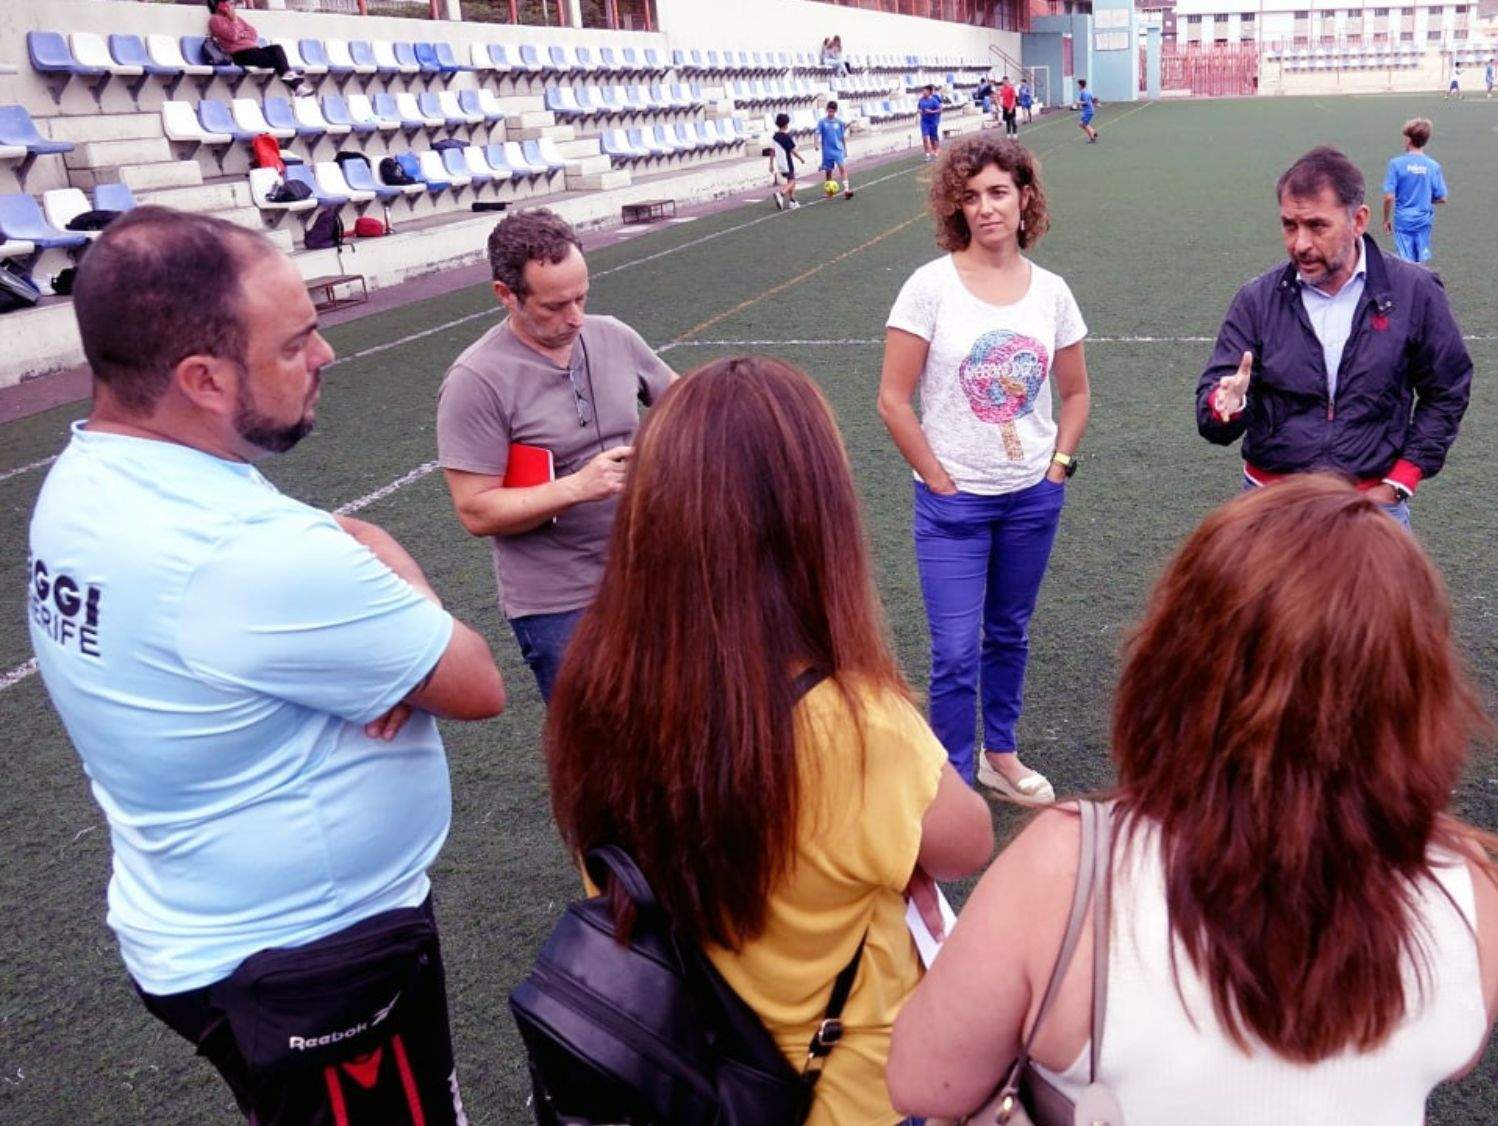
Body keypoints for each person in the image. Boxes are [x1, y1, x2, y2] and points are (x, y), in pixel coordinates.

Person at [30, 207, 506, 1124]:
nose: (326, 354)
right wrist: (404, 589)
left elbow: (319, 555)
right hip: (311, 966)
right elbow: (473, 682)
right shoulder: (243, 552)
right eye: (294, 343)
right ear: (203, 379)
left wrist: (352, 572)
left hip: (204, 924)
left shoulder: (91, 476)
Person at [887, 476, 1498, 1122]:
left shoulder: (1070, 868)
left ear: (1177, 663)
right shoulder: (1473, 900)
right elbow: (1453, 1050)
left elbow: (921, 1081)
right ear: (1420, 693)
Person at [545, 355, 996, 1126]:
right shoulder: (856, 724)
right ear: (812, 523)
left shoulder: (591, 689)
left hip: (679, 1074)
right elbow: (967, 844)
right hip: (844, 1094)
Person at [878, 136, 1091, 802]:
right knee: (954, 653)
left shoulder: (1051, 293)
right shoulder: (929, 287)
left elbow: (1077, 392)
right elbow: (892, 397)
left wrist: (1057, 466)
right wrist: (939, 480)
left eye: (998, 192)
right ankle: (949, 777)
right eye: (970, 197)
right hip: (953, 506)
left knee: (1008, 632)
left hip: (1031, 496)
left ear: (1025, 197)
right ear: (956, 208)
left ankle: (999, 753)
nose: (986, 208)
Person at [436, 209, 677, 700]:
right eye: (553, 306)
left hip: (648, 574)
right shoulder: (475, 381)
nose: (575, 318)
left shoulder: (613, 335)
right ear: (506, 295)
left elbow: (684, 404)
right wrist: (576, 488)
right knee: (596, 753)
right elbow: (476, 510)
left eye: (581, 297)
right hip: (558, 605)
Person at [1196, 146, 1474, 526]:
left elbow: (1447, 388)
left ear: (1359, 220)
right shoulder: (1256, 300)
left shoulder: (1415, 291)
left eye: (1317, 226)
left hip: (1371, 507)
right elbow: (1213, 413)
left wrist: (1402, 480)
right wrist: (1225, 404)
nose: (1300, 244)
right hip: (1270, 506)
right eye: (1289, 225)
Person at [205, 0, 312, 93]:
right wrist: (234, 23)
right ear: (221, 5)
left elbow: (253, 33)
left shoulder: (238, 19)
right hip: (240, 55)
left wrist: (240, 33)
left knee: (276, 48)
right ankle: (295, 85)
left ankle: (291, 79)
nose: (233, 6)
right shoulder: (216, 20)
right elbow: (233, 36)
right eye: (230, 3)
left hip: (253, 51)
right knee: (278, 61)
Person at [1382, 117, 1448, 264]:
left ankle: (1407, 285)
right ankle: (1420, 283)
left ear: (1408, 140)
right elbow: (1442, 198)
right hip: (1423, 220)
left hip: (1403, 220)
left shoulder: (1396, 164)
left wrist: (1386, 220)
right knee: (1420, 259)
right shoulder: (1433, 166)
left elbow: (1388, 197)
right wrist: (1424, 197)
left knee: (1405, 261)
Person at [816, 99, 853, 199]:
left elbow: (842, 137)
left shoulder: (839, 122)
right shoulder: (822, 122)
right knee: (828, 172)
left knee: (842, 168)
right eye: (829, 111)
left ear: (836, 111)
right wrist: (816, 144)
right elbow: (817, 133)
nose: (831, 113)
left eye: (833, 111)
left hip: (838, 150)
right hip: (827, 151)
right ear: (826, 110)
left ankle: (846, 190)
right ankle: (829, 192)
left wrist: (845, 150)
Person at [771, 112, 801, 209]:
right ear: (786, 124)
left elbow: (772, 151)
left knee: (790, 180)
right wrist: (801, 158)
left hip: (779, 163)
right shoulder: (786, 137)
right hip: (787, 162)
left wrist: (771, 164)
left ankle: (792, 201)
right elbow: (792, 150)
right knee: (792, 181)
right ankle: (781, 193)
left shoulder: (775, 136)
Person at [917, 83, 944, 162]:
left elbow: (940, 110)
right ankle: (927, 155)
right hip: (924, 122)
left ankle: (936, 152)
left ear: (929, 91)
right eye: (923, 91)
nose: (923, 93)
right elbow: (918, 108)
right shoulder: (921, 100)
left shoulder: (934, 100)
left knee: (933, 138)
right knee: (925, 138)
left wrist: (931, 112)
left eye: (925, 91)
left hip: (933, 121)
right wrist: (920, 111)